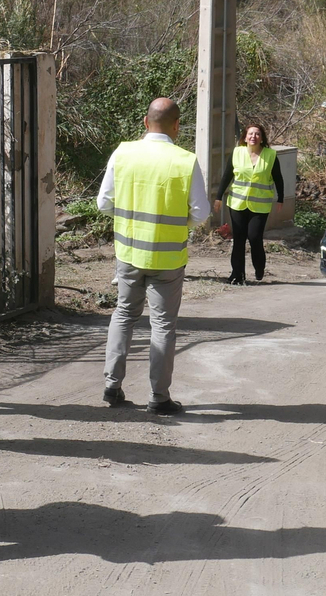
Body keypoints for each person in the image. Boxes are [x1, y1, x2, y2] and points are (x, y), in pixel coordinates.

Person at [97, 97, 209, 416]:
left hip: (129, 253)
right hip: (168, 258)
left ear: (146, 123)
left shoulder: (123, 152)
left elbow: (104, 203)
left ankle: (111, 387)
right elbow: (200, 212)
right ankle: (158, 397)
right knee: (162, 325)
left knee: (123, 314)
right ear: (176, 126)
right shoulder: (185, 160)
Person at [212, 121, 285, 285]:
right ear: (245, 137)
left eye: (257, 134)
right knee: (238, 239)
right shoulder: (237, 152)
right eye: (250, 134)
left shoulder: (270, 155)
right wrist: (218, 197)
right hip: (237, 202)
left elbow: (278, 179)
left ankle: (259, 268)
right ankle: (237, 274)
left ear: (262, 138)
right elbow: (227, 176)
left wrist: (281, 198)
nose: (254, 137)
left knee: (254, 237)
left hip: (260, 205)